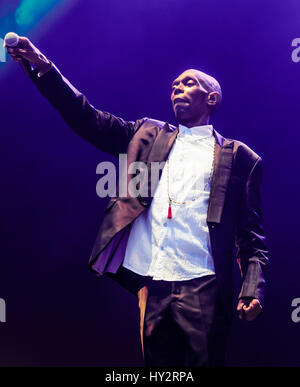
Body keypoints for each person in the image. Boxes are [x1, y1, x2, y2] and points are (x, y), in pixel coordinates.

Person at [6, 37, 269, 367]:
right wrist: (44, 67)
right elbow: (86, 117)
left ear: (211, 98)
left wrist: (252, 289)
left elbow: (251, 237)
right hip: (152, 284)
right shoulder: (147, 134)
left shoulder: (240, 157)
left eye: (189, 83)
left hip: (202, 285)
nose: (177, 88)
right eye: (174, 85)